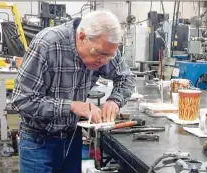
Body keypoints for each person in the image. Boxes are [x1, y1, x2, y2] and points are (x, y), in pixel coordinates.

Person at [11, 10, 136, 173]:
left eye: (109, 57)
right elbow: (21, 100)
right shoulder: (47, 45)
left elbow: (127, 78)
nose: (104, 62)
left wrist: (115, 100)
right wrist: (71, 106)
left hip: (72, 139)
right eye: (100, 55)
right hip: (38, 141)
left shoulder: (104, 48)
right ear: (82, 36)